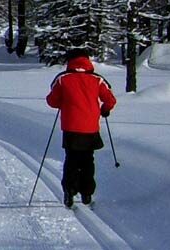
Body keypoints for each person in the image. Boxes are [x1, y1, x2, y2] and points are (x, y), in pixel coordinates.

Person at [45, 50, 118, 207]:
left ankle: (69, 192)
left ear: (70, 61)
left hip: (71, 126)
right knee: (87, 160)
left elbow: (52, 101)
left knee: (71, 159)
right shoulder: (97, 79)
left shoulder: (63, 79)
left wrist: (64, 102)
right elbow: (110, 100)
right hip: (90, 127)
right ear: (87, 60)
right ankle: (87, 192)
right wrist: (104, 110)